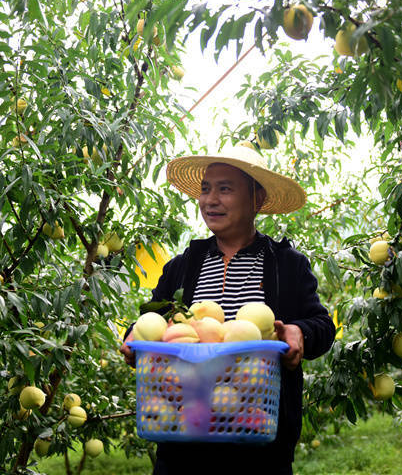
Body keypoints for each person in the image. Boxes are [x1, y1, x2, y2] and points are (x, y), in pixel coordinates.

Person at [120, 145, 335, 474]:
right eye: (206, 189)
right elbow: (150, 323)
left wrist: (299, 332)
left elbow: (321, 325)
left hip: (259, 443)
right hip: (183, 437)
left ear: (257, 199)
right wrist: (132, 337)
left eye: (225, 188)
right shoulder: (182, 267)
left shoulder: (287, 265)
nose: (210, 200)